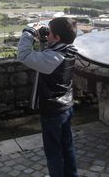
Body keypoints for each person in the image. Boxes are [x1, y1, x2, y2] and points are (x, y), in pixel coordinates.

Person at [17, 17, 79, 177]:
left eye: (50, 32)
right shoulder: (69, 50)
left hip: (53, 112)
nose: (47, 34)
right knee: (67, 146)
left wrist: (29, 32)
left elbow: (23, 55)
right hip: (66, 106)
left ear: (57, 37)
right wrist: (45, 40)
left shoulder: (53, 58)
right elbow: (49, 54)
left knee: (53, 152)